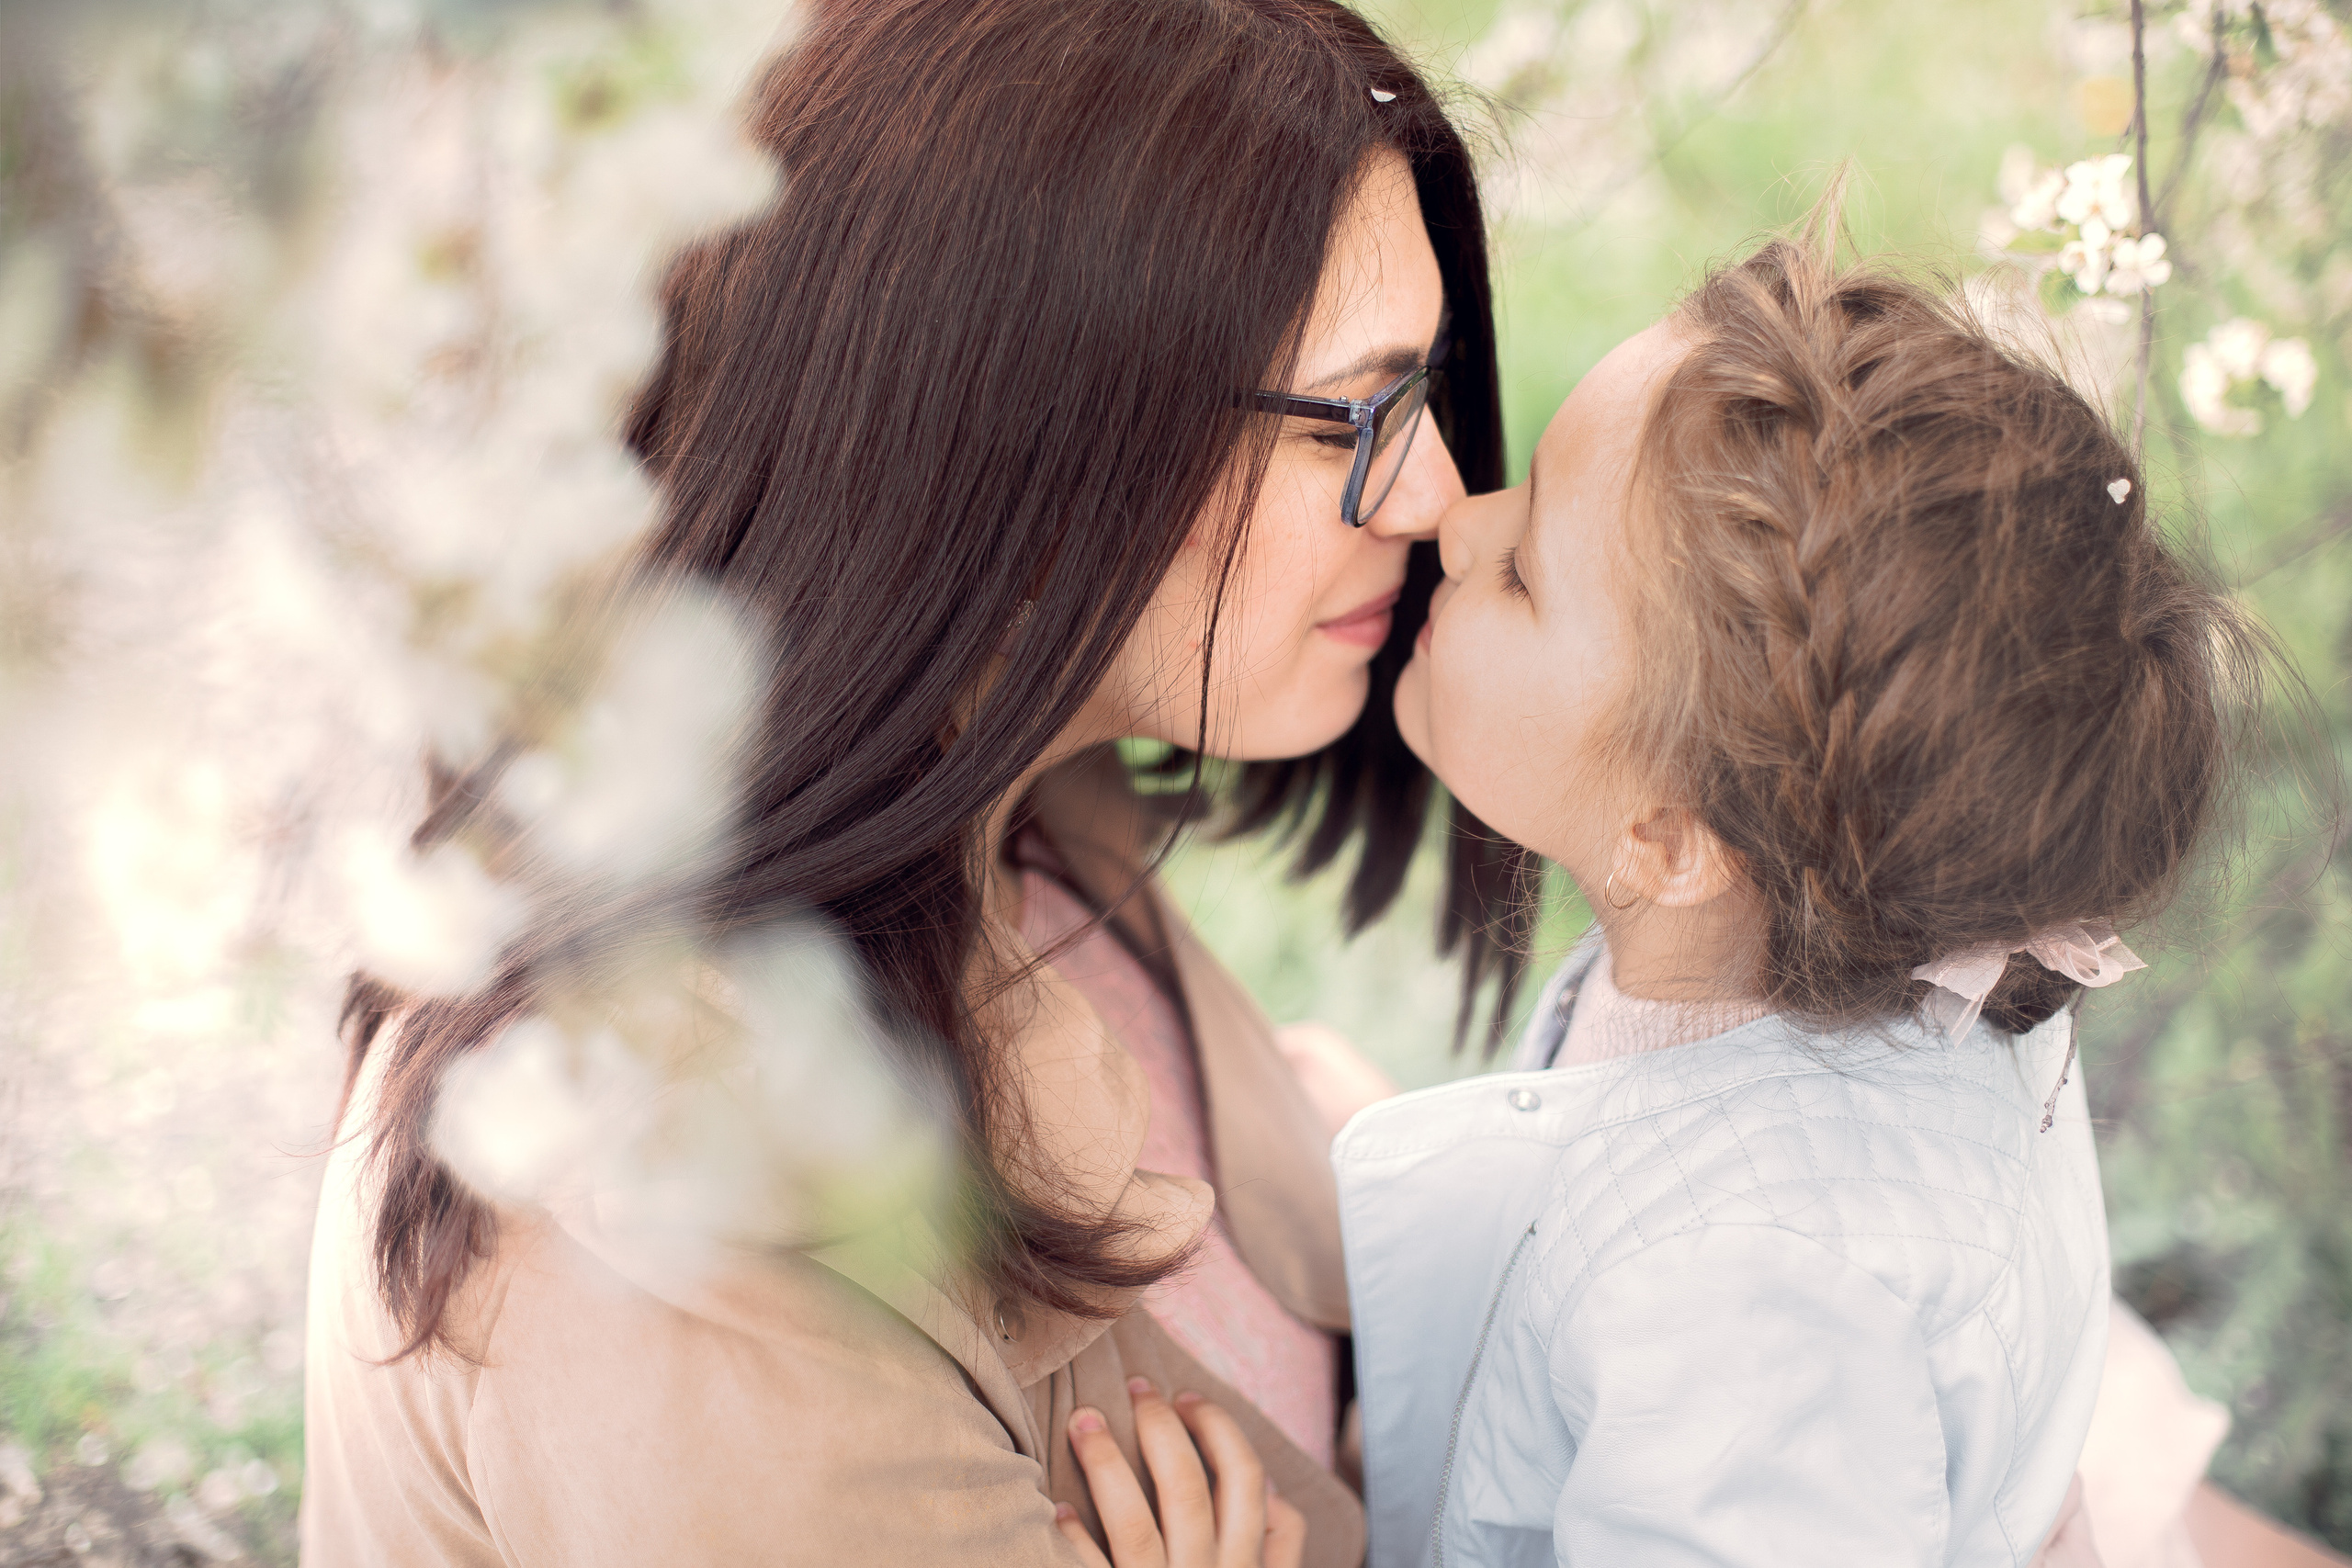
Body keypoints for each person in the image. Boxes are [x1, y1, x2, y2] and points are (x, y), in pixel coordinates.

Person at [300, 1, 1525, 1563]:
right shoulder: (692, 1230)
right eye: (1360, 413)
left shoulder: (1009, 807)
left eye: (1429, 392)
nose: (1435, 494)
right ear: (1009, 437)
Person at [1338, 212, 2269, 1566]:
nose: (1461, 524)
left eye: (1528, 568)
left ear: (1672, 841)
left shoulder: (1756, 1304)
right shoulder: (1897, 934)